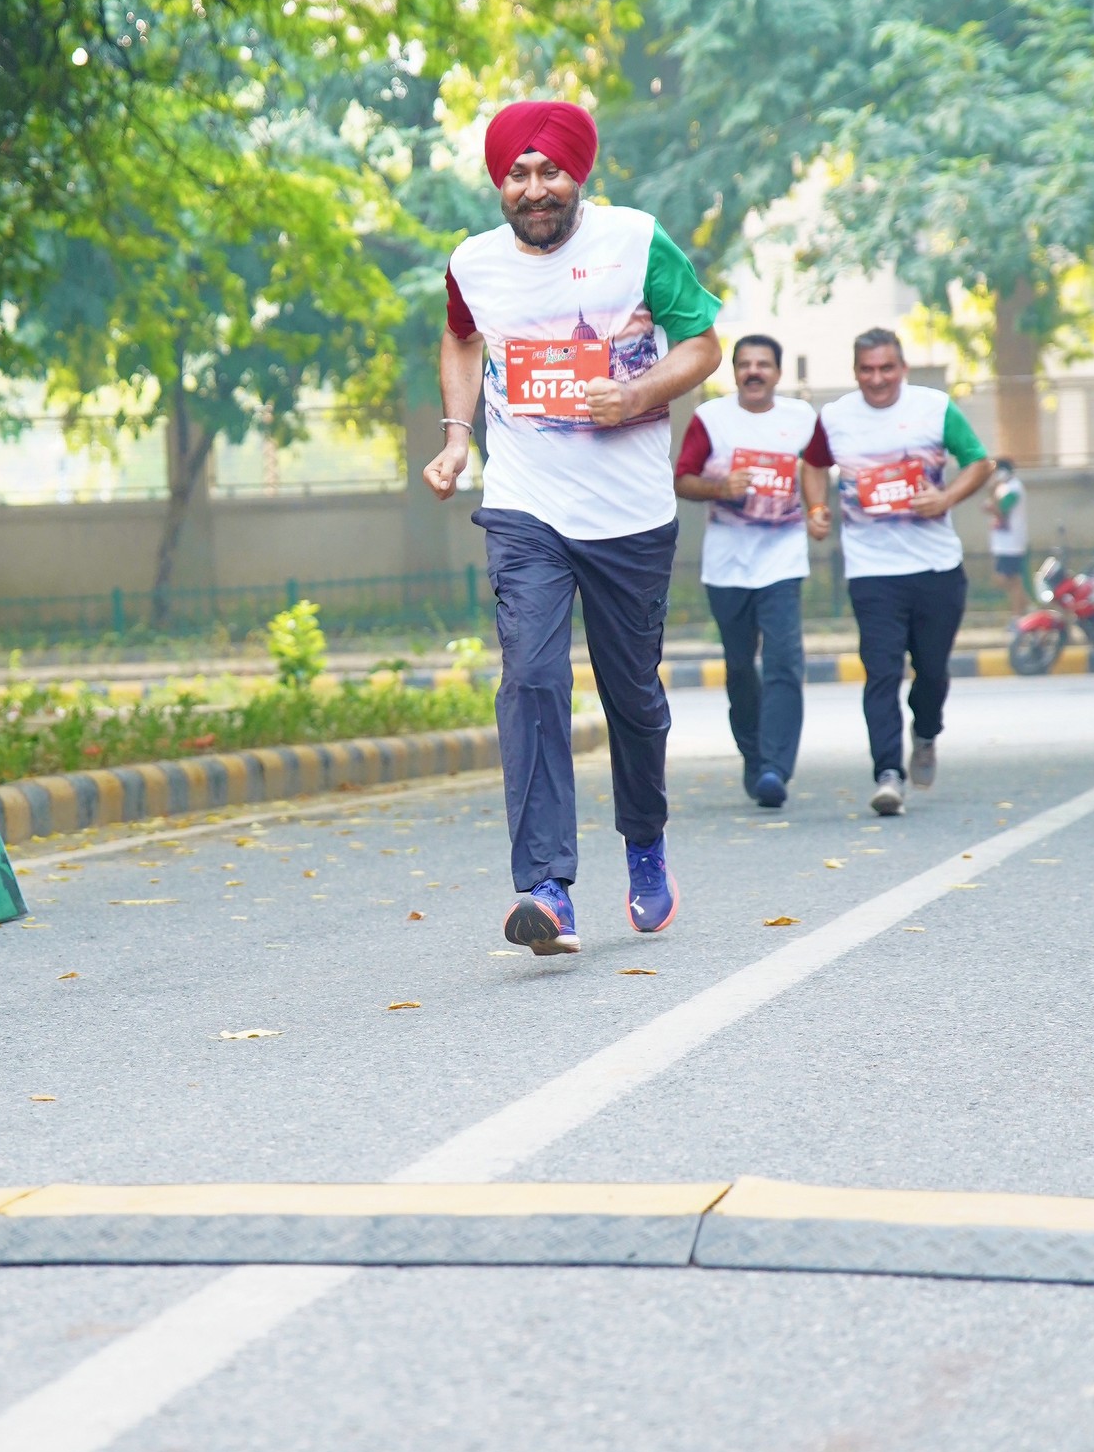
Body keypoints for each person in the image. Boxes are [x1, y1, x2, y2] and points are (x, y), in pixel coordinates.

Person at [423, 99, 722, 953]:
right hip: (526, 506)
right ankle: (546, 889)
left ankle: (645, 844)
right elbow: (460, 338)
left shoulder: (635, 242)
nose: (533, 189)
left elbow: (701, 343)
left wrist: (634, 394)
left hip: (629, 514)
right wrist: (456, 437)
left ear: (578, 173)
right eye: (516, 174)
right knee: (530, 678)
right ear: (498, 183)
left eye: (549, 171)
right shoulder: (474, 263)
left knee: (632, 696)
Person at [801, 328, 992, 816]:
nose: (877, 378)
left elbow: (979, 462)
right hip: (872, 570)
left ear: (902, 368)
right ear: (855, 371)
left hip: (936, 566)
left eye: (887, 368)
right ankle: (888, 773)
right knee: (882, 672)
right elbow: (813, 464)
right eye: (867, 369)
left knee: (932, 671)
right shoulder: (836, 417)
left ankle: (925, 732)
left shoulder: (934, 408)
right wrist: (817, 508)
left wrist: (945, 498)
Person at [673, 333, 826, 810]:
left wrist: (817, 509)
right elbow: (682, 480)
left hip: (783, 559)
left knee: (784, 661)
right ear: (735, 372)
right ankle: (754, 755)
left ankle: (775, 768)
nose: (754, 372)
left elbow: (816, 468)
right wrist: (720, 488)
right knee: (740, 667)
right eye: (745, 364)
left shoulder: (801, 418)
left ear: (778, 373)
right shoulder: (711, 418)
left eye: (763, 364)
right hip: (727, 565)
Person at [989, 456, 1030, 615]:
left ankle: (1020, 613)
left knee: (1010, 579)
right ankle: (1024, 608)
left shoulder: (1014, 488)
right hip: (1002, 542)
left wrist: (992, 494)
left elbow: (1001, 509)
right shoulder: (1004, 487)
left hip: (1012, 543)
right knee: (1008, 580)